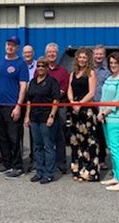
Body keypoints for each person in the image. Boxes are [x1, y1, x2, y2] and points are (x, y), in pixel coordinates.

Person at [0, 36, 29, 179]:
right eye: (8, 44)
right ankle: (7, 164)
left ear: (17, 47)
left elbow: (23, 86)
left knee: (14, 138)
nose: (10, 47)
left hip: (12, 106)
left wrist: (18, 106)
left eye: (13, 45)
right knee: (2, 137)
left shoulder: (21, 64)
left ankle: (18, 166)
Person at [97, 52, 119, 192]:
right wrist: (100, 111)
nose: (113, 65)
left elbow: (118, 99)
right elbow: (103, 98)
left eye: (115, 63)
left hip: (116, 118)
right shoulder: (110, 78)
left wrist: (105, 112)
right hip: (105, 117)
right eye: (110, 63)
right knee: (111, 148)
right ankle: (117, 176)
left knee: (116, 149)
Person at [24, 57, 60, 184]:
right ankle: (39, 171)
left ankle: (49, 173)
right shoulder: (33, 82)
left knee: (48, 146)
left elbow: (56, 100)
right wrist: (27, 116)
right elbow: (29, 100)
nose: (40, 68)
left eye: (43, 66)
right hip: (34, 118)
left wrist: (52, 116)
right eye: (38, 66)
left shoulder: (52, 82)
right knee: (37, 146)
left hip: (46, 118)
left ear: (47, 68)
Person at [67, 48, 100, 182]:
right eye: (80, 57)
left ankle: (90, 172)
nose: (82, 60)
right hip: (74, 111)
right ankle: (78, 170)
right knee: (76, 142)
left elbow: (92, 93)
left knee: (89, 142)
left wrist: (80, 103)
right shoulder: (73, 73)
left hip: (86, 111)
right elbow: (69, 88)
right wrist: (72, 101)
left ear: (88, 59)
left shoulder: (91, 73)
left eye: (84, 57)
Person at [43, 42, 70, 174]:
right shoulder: (41, 70)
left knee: (60, 137)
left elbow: (63, 90)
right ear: (46, 54)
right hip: (43, 107)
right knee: (44, 137)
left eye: (54, 52)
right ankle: (45, 163)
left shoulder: (63, 72)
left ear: (57, 54)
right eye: (49, 52)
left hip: (60, 107)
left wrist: (50, 97)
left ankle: (61, 163)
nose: (52, 54)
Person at [93, 45, 111, 170]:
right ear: (93, 55)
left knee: (101, 135)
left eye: (101, 54)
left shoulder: (108, 72)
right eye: (96, 54)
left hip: (102, 107)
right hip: (88, 105)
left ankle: (102, 159)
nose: (98, 56)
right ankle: (91, 158)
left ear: (104, 55)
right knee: (90, 134)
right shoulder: (88, 69)